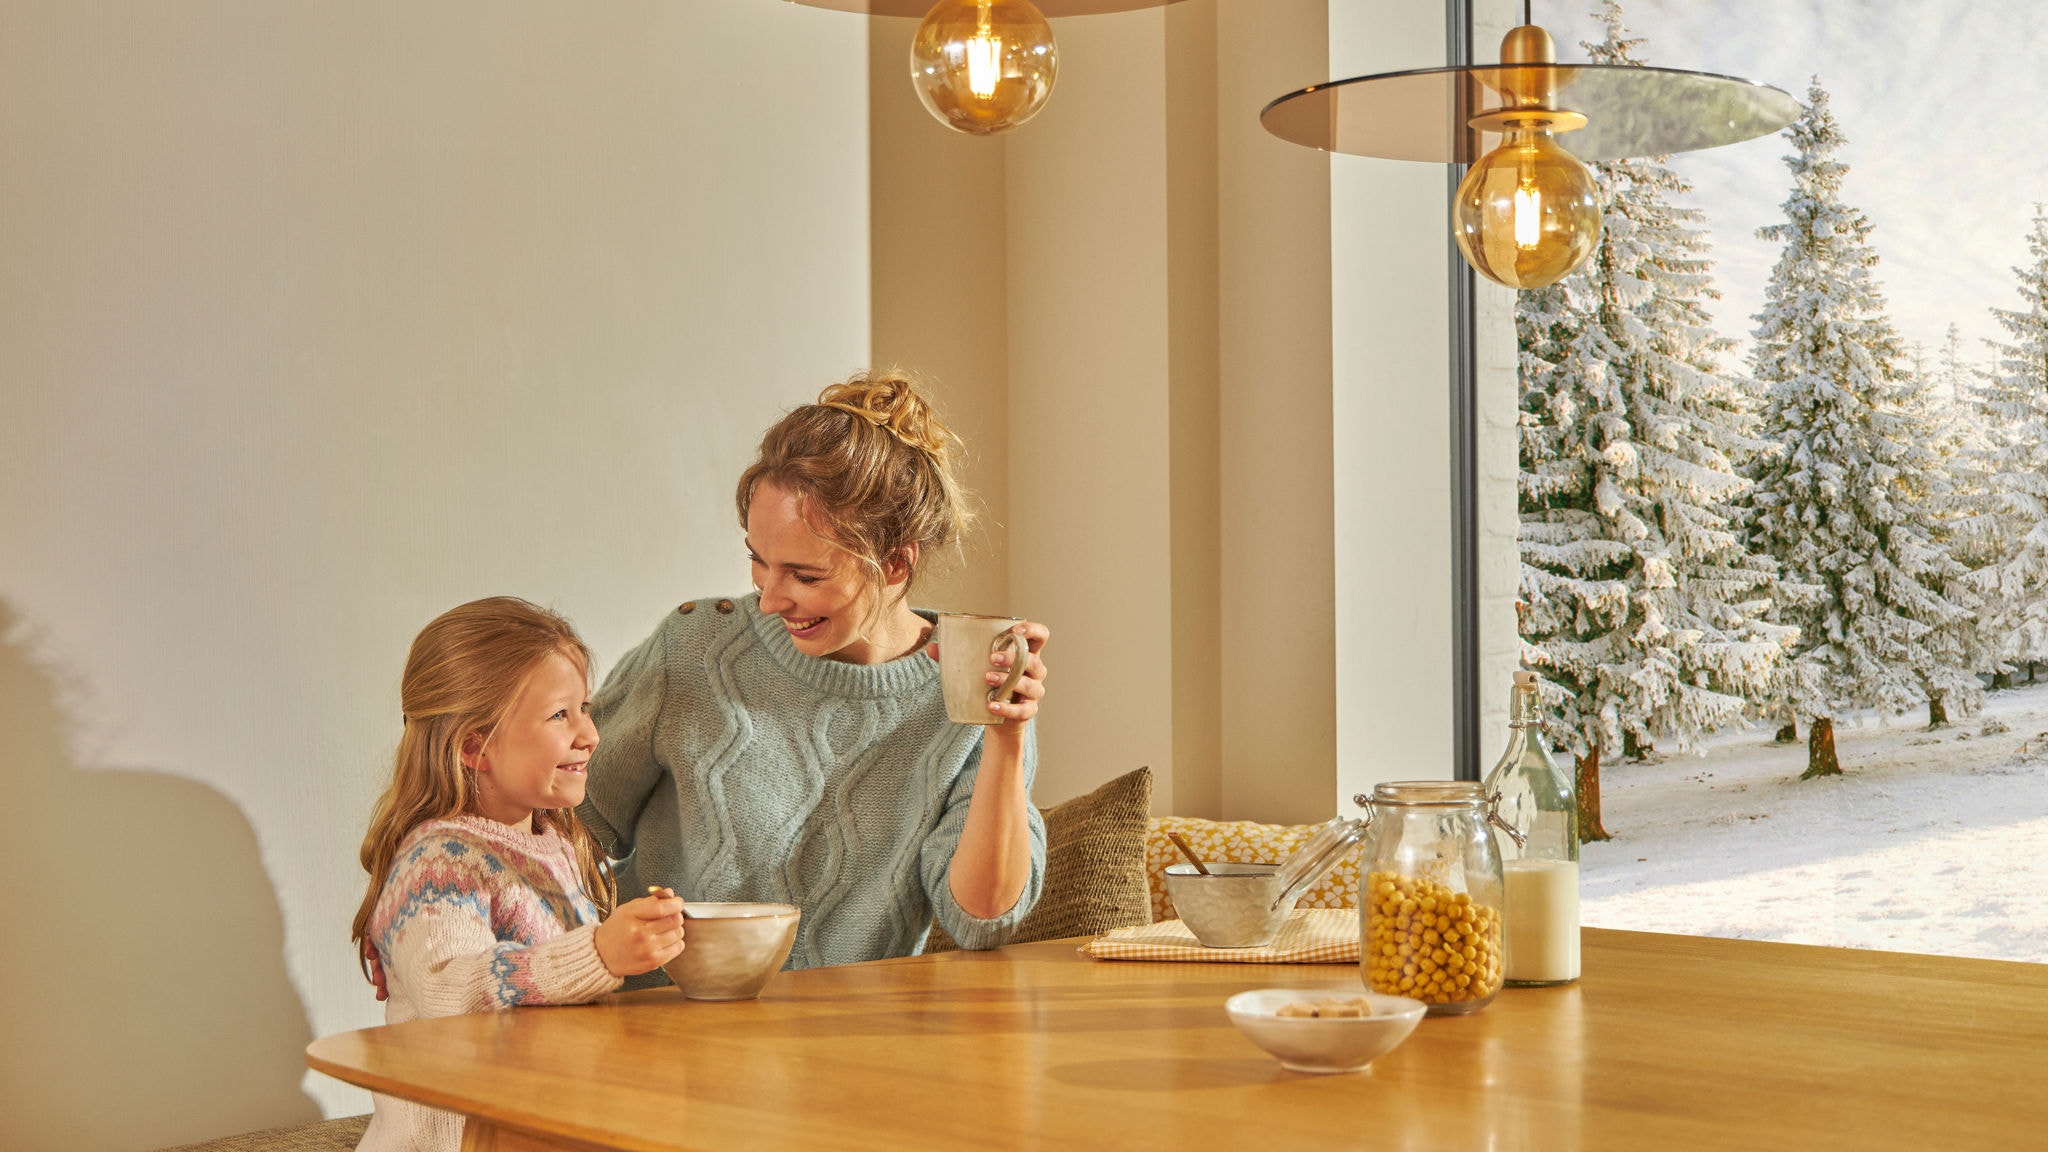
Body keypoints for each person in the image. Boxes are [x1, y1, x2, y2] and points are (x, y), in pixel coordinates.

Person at [578, 371, 1051, 975]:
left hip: (845, 1044)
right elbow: (567, 827)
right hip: (663, 1033)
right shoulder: (697, 648)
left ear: (896, 562)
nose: (771, 600)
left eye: (805, 576)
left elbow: (980, 922)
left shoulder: (972, 687)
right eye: (758, 561)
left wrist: (1006, 737)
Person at [351, 597, 687, 1152]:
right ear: (476, 746)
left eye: (586, 707)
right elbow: (449, 993)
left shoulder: (552, 843)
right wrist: (598, 954)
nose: (591, 733)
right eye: (561, 715)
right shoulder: (442, 863)